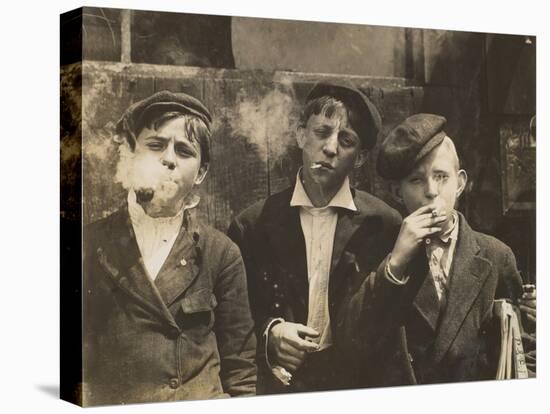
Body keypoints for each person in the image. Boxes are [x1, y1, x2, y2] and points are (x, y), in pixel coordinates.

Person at [83, 91, 256, 405]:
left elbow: (241, 368)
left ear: (201, 172)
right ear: (132, 155)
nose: (169, 159)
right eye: (155, 145)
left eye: (184, 151)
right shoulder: (88, 246)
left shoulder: (221, 253)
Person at [228, 81, 402, 393]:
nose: (331, 147)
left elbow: (392, 321)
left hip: (358, 388)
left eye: (346, 140)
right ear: (300, 135)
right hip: (281, 389)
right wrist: (271, 333)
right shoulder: (253, 225)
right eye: (322, 132)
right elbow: (234, 315)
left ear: (360, 158)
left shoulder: (383, 225)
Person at [345, 113, 525, 385]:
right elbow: (353, 341)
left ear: (460, 183)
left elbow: (524, 345)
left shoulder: (495, 255)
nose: (431, 191)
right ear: (397, 192)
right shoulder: (377, 253)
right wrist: (395, 264)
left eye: (441, 176)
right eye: (416, 181)